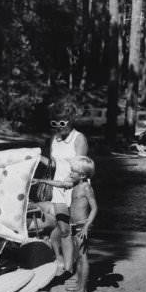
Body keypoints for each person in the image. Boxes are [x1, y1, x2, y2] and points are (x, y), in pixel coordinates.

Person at [41, 104, 89, 277]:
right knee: (63, 229)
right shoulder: (55, 139)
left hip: (75, 189)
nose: (59, 127)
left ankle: (71, 268)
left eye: (62, 123)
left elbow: (80, 167)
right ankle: (64, 263)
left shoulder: (79, 138)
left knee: (74, 230)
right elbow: (54, 165)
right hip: (58, 189)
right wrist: (36, 158)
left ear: (70, 121)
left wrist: (66, 183)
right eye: (55, 123)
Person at [67, 157, 99, 292]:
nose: (70, 173)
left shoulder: (86, 187)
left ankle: (83, 289)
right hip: (74, 225)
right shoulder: (76, 185)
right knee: (78, 257)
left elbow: (94, 208)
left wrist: (86, 226)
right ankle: (79, 285)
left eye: (73, 171)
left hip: (82, 226)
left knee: (83, 257)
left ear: (82, 175)